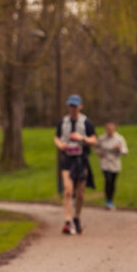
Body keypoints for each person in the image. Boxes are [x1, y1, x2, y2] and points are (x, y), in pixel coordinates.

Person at [53, 94, 97, 235]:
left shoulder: (86, 123)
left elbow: (94, 140)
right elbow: (56, 137)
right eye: (70, 106)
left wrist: (81, 138)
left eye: (75, 106)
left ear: (80, 106)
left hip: (81, 159)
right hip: (67, 159)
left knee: (80, 193)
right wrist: (60, 145)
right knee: (67, 190)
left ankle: (76, 217)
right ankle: (67, 221)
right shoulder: (63, 122)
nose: (72, 108)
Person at [95, 121, 128, 210]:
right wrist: (99, 152)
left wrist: (119, 149)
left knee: (112, 182)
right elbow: (95, 147)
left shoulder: (119, 139)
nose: (109, 131)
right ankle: (108, 201)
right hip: (105, 163)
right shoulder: (101, 138)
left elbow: (125, 151)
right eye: (108, 129)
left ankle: (111, 200)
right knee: (108, 180)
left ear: (115, 129)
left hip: (115, 163)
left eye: (111, 129)